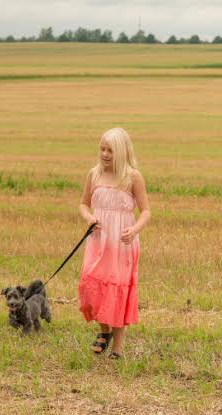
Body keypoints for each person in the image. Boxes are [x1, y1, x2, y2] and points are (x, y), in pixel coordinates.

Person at [78, 127, 150, 358]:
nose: (105, 154)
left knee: (117, 291)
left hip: (122, 243)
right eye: (102, 149)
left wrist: (135, 229)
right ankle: (104, 330)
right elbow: (83, 204)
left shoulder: (133, 177)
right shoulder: (94, 174)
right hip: (98, 241)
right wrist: (89, 218)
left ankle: (117, 348)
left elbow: (146, 211)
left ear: (122, 152)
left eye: (110, 150)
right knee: (91, 287)